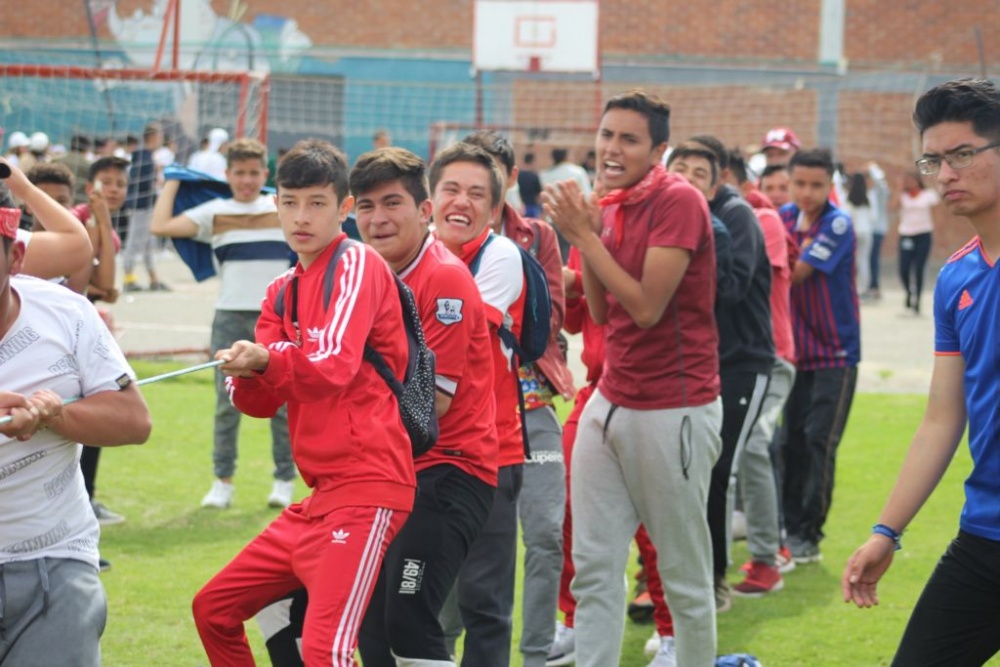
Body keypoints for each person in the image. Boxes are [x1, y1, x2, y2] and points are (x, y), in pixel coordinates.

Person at [192, 139, 415, 666]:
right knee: (213, 608)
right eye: (290, 202)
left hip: (369, 487)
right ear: (276, 204)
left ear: (343, 207)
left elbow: (334, 365)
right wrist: (248, 370)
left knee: (326, 650)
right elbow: (257, 404)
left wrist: (267, 360)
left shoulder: (357, 262)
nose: (301, 217)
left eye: (317, 203)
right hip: (319, 498)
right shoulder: (281, 290)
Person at [543, 89, 722, 667]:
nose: (612, 148)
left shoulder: (679, 200)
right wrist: (589, 237)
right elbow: (600, 312)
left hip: (674, 408)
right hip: (611, 397)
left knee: (683, 573)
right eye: (606, 135)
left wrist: (584, 237)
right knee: (594, 566)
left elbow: (645, 308)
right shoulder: (610, 201)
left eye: (629, 139)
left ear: (658, 150)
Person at [842, 76, 1000, 666]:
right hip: (985, 535)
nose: (945, 174)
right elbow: (941, 418)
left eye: (963, 155)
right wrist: (885, 531)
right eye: (934, 161)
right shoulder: (956, 279)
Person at [350, 147, 499, 667]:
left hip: (447, 471)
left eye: (392, 203)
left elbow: (429, 407)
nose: (378, 218)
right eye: (366, 206)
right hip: (385, 473)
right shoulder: (359, 272)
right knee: (363, 627)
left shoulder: (443, 278)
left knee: (408, 625)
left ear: (424, 209)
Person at [0, 168, 152, 665]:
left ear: (16, 258)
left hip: (54, 565)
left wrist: (54, 416)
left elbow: (134, 420)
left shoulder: (65, 312)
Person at [464, 130, 574, 667]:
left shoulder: (537, 235)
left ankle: (537, 653)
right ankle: (440, 650)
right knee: (464, 539)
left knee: (547, 532)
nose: (473, 190)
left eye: (488, 173)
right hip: (467, 408)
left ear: (508, 178)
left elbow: (551, 316)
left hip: (530, 398)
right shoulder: (437, 237)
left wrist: (497, 313)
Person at [152, 137, 295, 509]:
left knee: (283, 403)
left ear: (265, 175)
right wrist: (174, 179)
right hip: (229, 317)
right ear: (227, 174)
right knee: (226, 402)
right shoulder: (214, 212)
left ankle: (284, 480)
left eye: (254, 173)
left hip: (275, 318)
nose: (246, 180)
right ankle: (223, 483)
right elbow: (160, 225)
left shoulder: (281, 208)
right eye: (239, 173)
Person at [431, 142, 526, 667]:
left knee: (483, 604)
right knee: (414, 600)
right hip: (418, 451)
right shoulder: (409, 254)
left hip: (488, 454)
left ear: (494, 209)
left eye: (476, 194)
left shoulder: (500, 255)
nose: (461, 202)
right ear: (430, 200)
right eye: (451, 189)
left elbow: (453, 337)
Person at [688, 134, 774, 613]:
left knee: (720, 468)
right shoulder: (672, 213)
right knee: (686, 470)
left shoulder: (735, 214)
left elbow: (731, 287)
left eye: (699, 172)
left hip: (742, 361)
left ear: (718, 177)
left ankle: (715, 579)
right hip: (696, 363)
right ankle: (668, 576)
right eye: (679, 169)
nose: (687, 180)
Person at [779, 147, 860, 564]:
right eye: (799, 183)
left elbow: (794, 273)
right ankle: (786, 527)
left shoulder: (838, 224)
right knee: (787, 441)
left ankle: (808, 534)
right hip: (795, 352)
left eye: (816, 184)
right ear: (789, 181)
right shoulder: (783, 218)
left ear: (830, 185)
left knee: (818, 442)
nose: (806, 192)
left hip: (835, 352)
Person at [123, 122, 170, 292]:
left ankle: (153, 279)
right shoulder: (144, 157)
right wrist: (156, 182)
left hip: (147, 205)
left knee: (149, 243)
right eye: (160, 135)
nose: (161, 139)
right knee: (134, 242)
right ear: (152, 136)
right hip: (141, 207)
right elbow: (140, 183)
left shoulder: (145, 156)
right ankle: (128, 279)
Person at [898, 170, 940, 314]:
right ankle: (909, 291)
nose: (909, 183)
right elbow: (891, 207)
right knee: (904, 269)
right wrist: (899, 189)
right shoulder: (903, 196)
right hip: (906, 234)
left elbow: (936, 212)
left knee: (919, 268)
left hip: (923, 234)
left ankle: (918, 300)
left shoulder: (927, 195)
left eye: (912, 180)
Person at [542, 147, 592, 261]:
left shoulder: (546, 174)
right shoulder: (578, 172)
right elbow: (587, 196)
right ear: (566, 156)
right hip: (573, 219)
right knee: (571, 255)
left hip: (552, 218)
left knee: (555, 254)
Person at [845, 172, 874, 300]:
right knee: (864, 260)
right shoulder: (869, 198)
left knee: (854, 261)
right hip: (866, 231)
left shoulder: (848, 199)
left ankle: (854, 287)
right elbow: (873, 217)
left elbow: (847, 216)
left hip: (854, 231)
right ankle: (863, 288)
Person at [865, 162, 890, 300]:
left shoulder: (880, 192)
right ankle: (871, 285)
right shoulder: (870, 192)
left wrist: (873, 169)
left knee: (873, 258)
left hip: (878, 229)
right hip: (870, 229)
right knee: (868, 259)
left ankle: (874, 286)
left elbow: (881, 183)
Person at [55, 134, 92, 205]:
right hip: (78, 203)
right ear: (86, 148)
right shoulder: (88, 165)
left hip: (57, 201)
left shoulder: (57, 160)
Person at [518, 152, 544, 218]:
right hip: (532, 207)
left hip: (520, 207)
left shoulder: (518, 175)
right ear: (533, 161)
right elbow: (539, 194)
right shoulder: (534, 176)